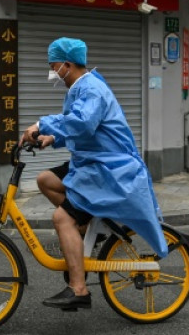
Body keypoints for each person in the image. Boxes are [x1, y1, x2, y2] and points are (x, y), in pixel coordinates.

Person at [21, 37, 168, 311]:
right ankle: (87, 228)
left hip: (109, 169)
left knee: (61, 218)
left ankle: (78, 289)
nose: (52, 72)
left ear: (67, 64)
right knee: (45, 180)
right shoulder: (78, 89)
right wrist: (52, 138)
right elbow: (79, 131)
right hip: (91, 162)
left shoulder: (91, 89)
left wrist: (42, 124)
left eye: (53, 66)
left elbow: (83, 123)